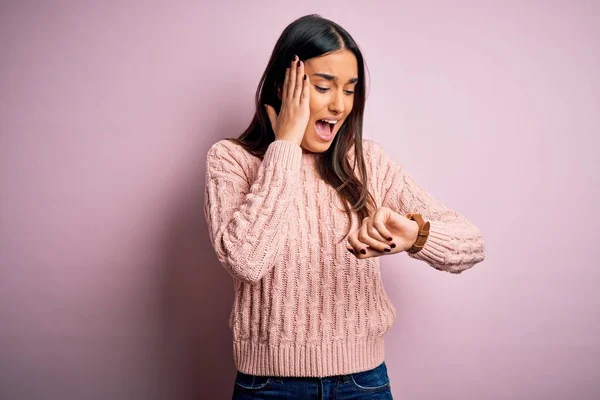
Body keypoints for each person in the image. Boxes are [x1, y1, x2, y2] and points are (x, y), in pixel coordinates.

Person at [203, 14, 486, 400]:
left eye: (350, 90)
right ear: (282, 87)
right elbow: (246, 260)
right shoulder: (231, 160)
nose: (338, 105)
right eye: (323, 87)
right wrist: (284, 145)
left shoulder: (367, 163)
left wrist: (416, 235)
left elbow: (471, 245)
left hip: (362, 384)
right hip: (268, 387)